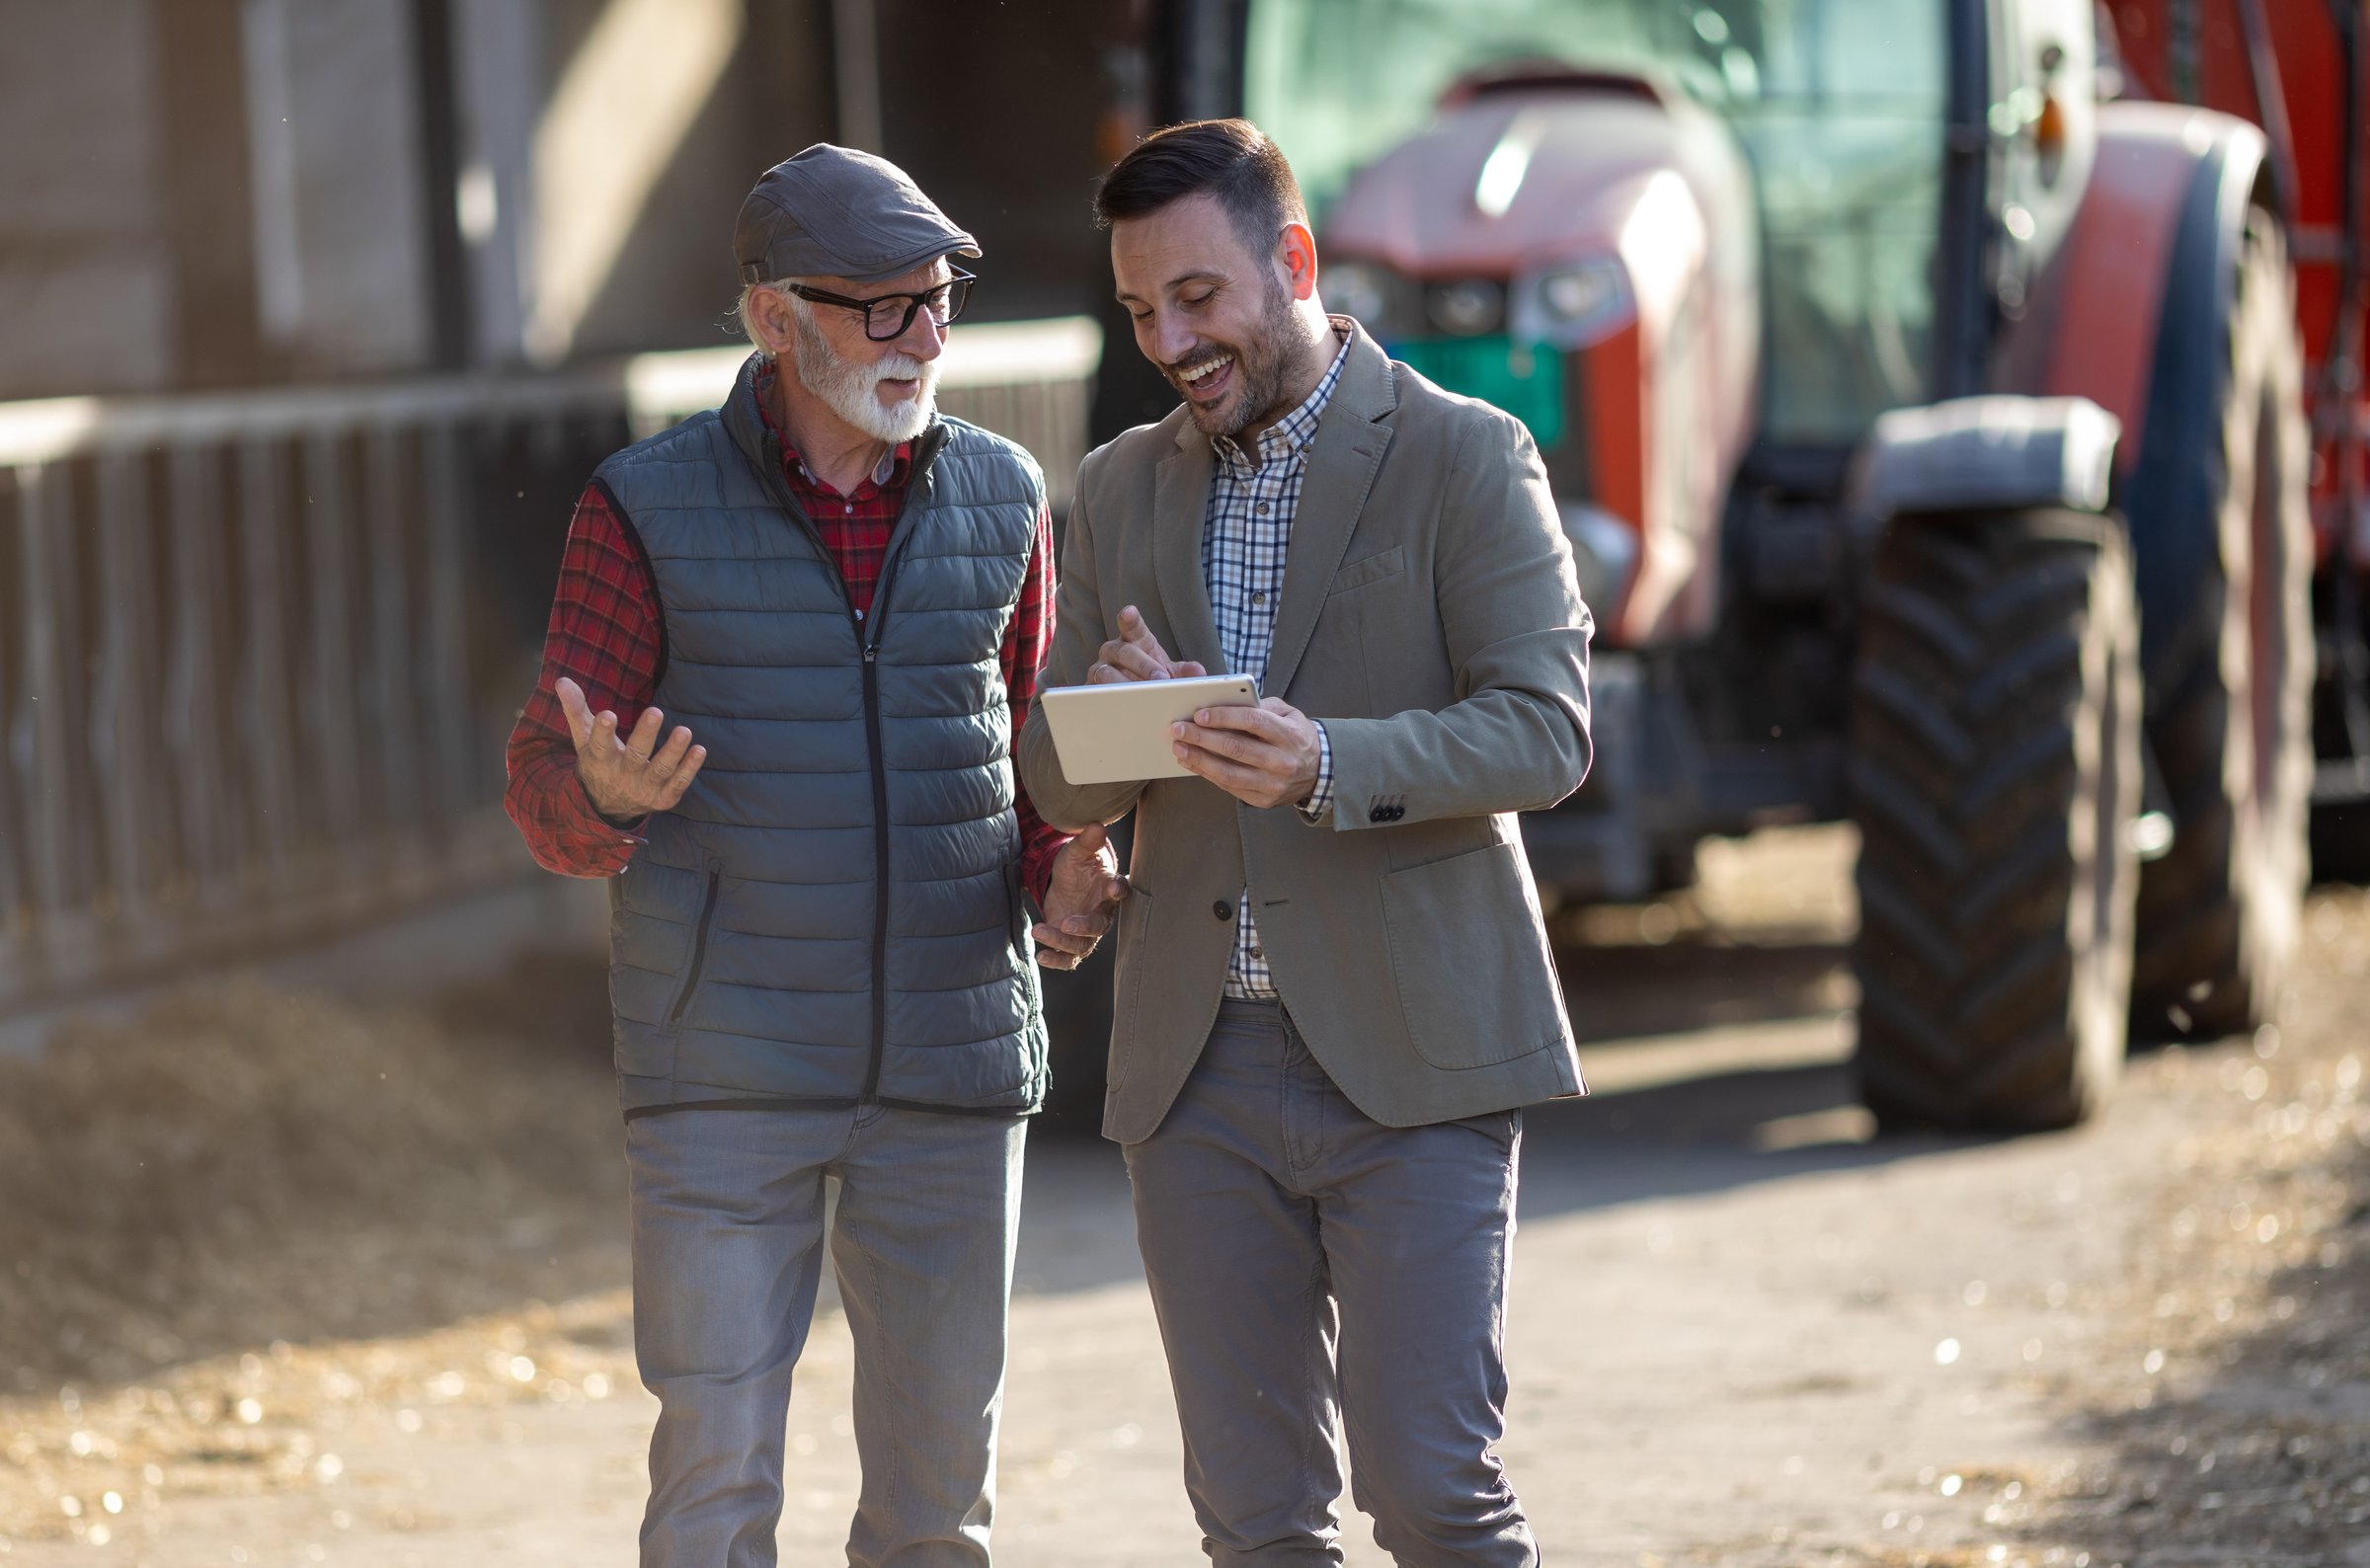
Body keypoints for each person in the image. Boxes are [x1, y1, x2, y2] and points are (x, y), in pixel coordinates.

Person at [505, 144, 1127, 1568]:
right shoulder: (640, 508)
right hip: (724, 1071)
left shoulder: (1009, 498)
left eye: (938, 303)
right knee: (714, 1488)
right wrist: (603, 799)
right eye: (880, 309)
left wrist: (1064, 882)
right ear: (776, 320)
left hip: (955, 1061)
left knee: (938, 1506)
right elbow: (542, 790)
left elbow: (1027, 767)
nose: (924, 340)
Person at [1016, 118, 1594, 1565]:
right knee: (1256, 1524)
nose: (1169, 339)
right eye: (1142, 309)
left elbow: (1547, 730)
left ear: (1294, 264)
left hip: (1420, 1053)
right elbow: (1050, 773)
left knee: (1432, 1495)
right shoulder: (1119, 486)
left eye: (1198, 297)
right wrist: (1110, 735)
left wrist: (1328, 761)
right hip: (1192, 1067)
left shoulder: (1468, 455)